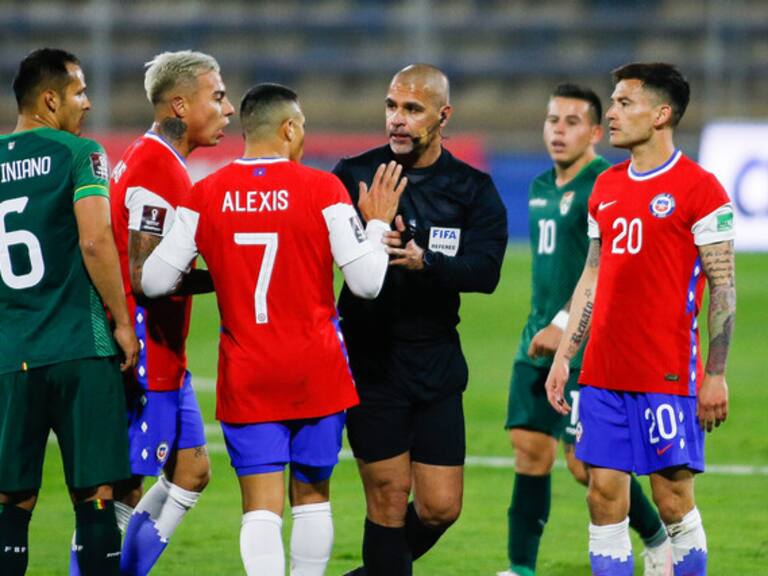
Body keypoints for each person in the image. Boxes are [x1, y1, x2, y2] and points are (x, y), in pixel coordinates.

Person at [140, 83, 406, 576]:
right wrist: (375, 226)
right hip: (316, 369)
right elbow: (368, 284)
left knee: (260, 507)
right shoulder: (324, 189)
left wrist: (220, 270)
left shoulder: (205, 194)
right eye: (301, 126)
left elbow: (154, 280)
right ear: (288, 128)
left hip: (248, 372)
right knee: (312, 498)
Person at [545, 63, 735, 576]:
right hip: (604, 371)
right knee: (603, 496)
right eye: (613, 102)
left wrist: (714, 374)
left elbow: (724, 287)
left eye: (625, 103)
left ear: (661, 114)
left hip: (666, 371)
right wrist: (566, 354)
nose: (611, 113)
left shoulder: (701, 189)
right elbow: (592, 276)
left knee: (672, 500)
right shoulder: (605, 186)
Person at [334, 64, 508, 576]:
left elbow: (487, 271)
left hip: (435, 361)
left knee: (440, 507)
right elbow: (321, 253)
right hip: (372, 361)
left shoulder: (470, 188)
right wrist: (369, 229)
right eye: (391, 106)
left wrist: (424, 260)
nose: (398, 120)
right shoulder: (353, 175)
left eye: (412, 109)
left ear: (443, 115)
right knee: (388, 499)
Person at [500, 84, 671, 576]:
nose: (559, 130)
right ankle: (521, 568)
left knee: (584, 465)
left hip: (584, 342)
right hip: (535, 338)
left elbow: (605, 268)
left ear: (596, 131)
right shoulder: (537, 187)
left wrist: (562, 324)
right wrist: (543, 323)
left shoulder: (607, 183)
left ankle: (656, 536)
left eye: (572, 122)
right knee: (530, 451)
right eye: (553, 120)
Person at [81, 50, 234, 576]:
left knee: (191, 470)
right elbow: (146, 275)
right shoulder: (156, 168)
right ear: (179, 104)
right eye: (216, 97)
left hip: (166, 350)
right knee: (123, 486)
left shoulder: (160, 161)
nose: (228, 109)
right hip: (144, 353)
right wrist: (227, 275)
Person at [0, 48, 138, 575]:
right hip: (81, 346)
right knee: (96, 492)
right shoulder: (79, 154)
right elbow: (97, 240)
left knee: (11, 500)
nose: (89, 102)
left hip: (12, 354)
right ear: (50, 99)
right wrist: (122, 322)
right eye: (80, 92)